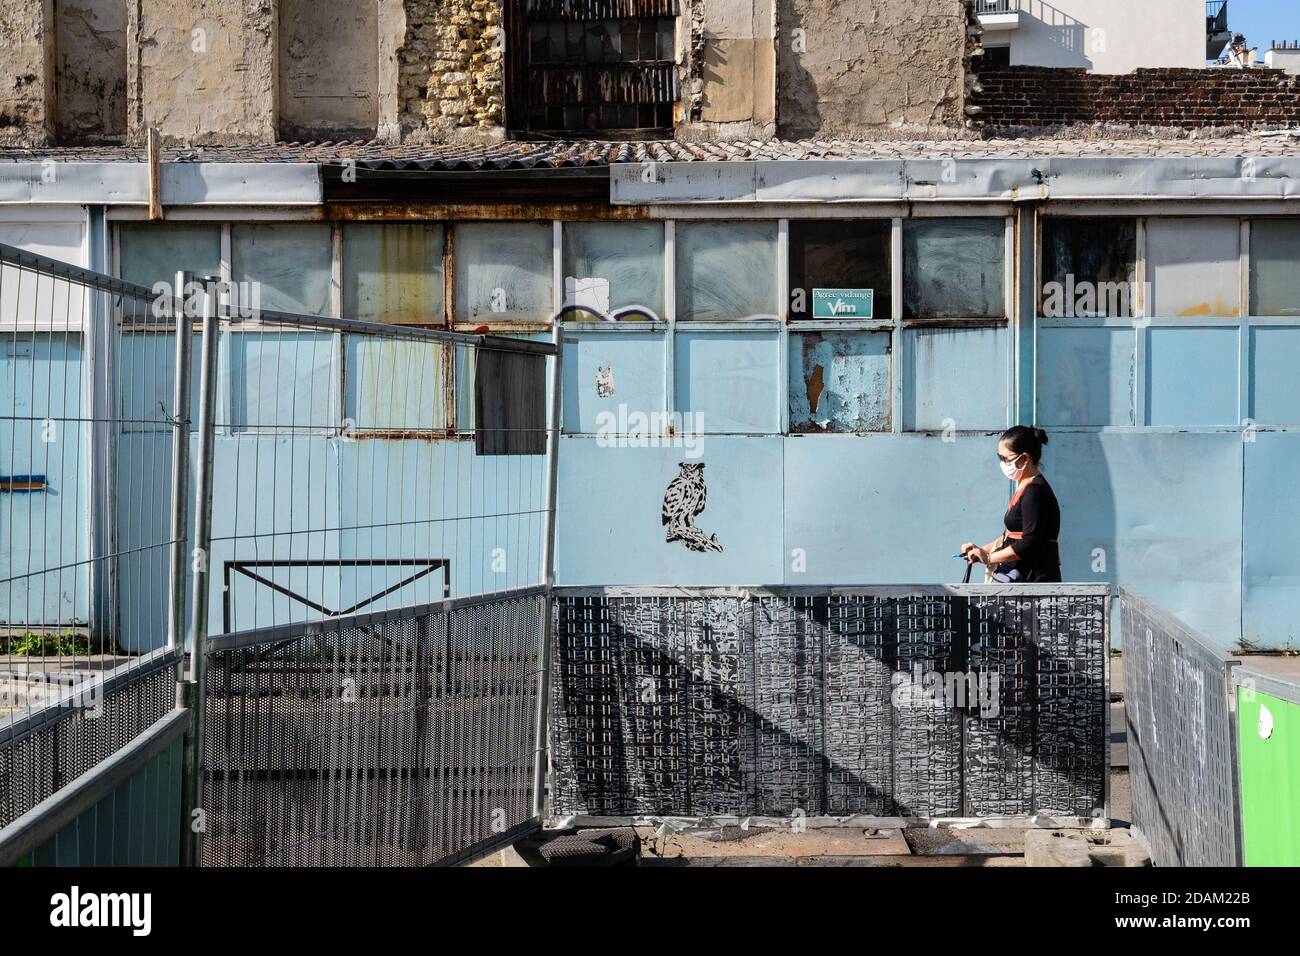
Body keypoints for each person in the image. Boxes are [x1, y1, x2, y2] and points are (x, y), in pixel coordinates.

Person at [960, 426, 1061, 583]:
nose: (1002, 463)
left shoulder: (1035, 491)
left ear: (1024, 459)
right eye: (1000, 457)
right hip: (1019, 578)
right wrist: (980, 551)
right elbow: (1011, 537)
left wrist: (988, 557)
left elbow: (1030, 542)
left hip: (1032, 581)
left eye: (1006, 459)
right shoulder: (1025, 486)